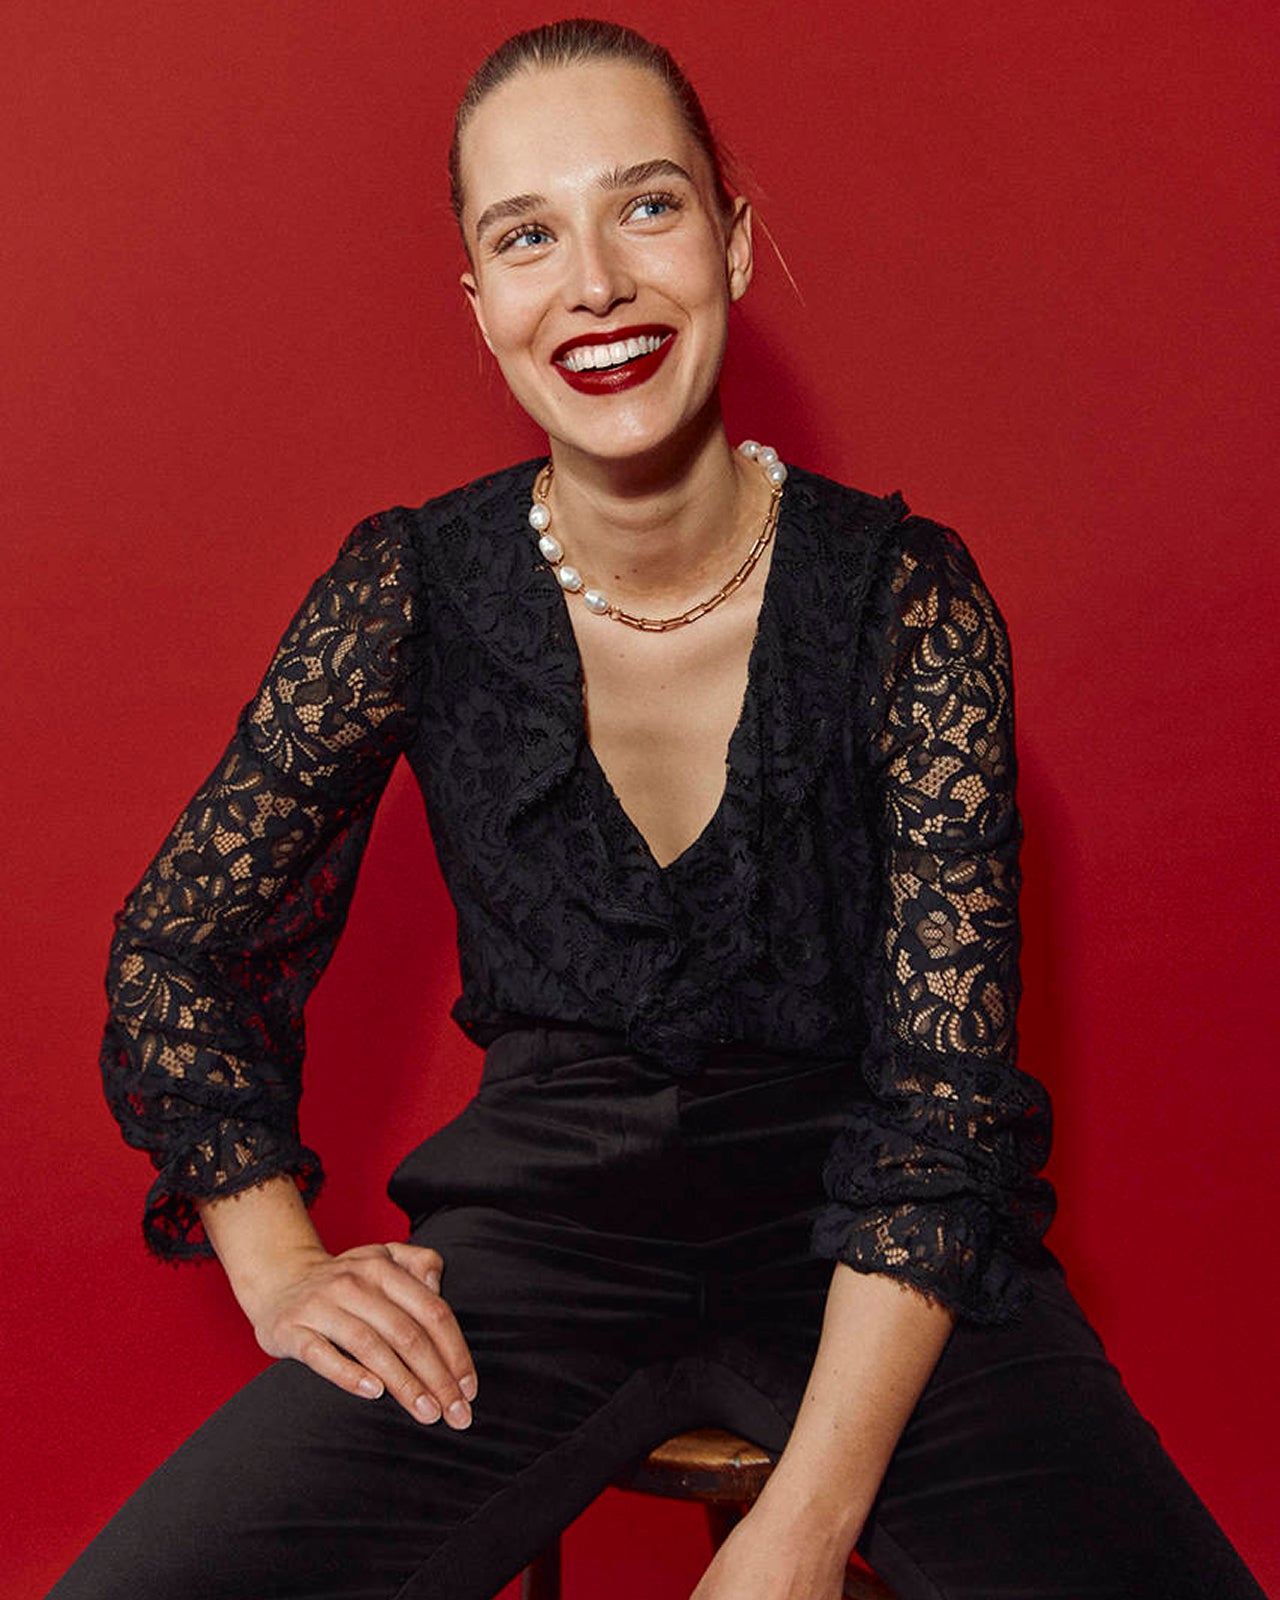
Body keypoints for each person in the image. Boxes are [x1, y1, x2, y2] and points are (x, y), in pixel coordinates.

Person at [50, 19, 1264, 1600]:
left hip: (887, 1256)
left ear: (735, 243)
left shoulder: (910, 600)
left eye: (647, 207)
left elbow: (946, 1116)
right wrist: (279, 1265)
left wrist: (802, 1527)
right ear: (480, 302)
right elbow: (176, 954)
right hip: (539, 1254)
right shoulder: (411, 588)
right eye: (527, 236)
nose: (596, 285)